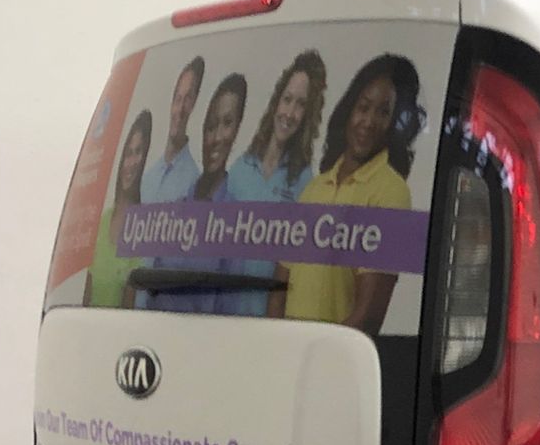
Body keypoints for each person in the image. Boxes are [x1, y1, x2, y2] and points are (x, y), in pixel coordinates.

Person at [272, 54, 419, 333]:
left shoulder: (393, 193)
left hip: (333, 368)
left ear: (394, 123)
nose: (369, 121)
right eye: (363, 107)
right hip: (287, 362)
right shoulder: (314, 188)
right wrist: (280, 351)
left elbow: (368, 317)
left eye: (384, 112)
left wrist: (317, 360)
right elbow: (279, 289)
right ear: (349, 110)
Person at [226, 51, 326, 315]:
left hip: (269, 327)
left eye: (301, 105)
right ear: (276, 102)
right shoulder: (240, 168)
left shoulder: (306, 184)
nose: (290, 113)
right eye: (287, 100)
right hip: (221, 320)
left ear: (308, 115)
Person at [144, 73, 248, 314]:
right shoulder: (176, 210)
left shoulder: (236, 222)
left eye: (227, 123)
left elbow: (230, 315)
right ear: (202, 130)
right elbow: (151, 294)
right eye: (211, 126)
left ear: (237, 130)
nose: (217, 138)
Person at [83, 110, 151, 308]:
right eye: (128, 153)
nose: (132, 162)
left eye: (139, 152)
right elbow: (85, 300)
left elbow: (129, 309)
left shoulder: (142, 228)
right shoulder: (102, 223)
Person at [140, 56, 205, 203]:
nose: (180, 110)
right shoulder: (147, 178)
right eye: (178, 98)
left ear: (194, 104)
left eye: (187, 99)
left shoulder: (193, 182)